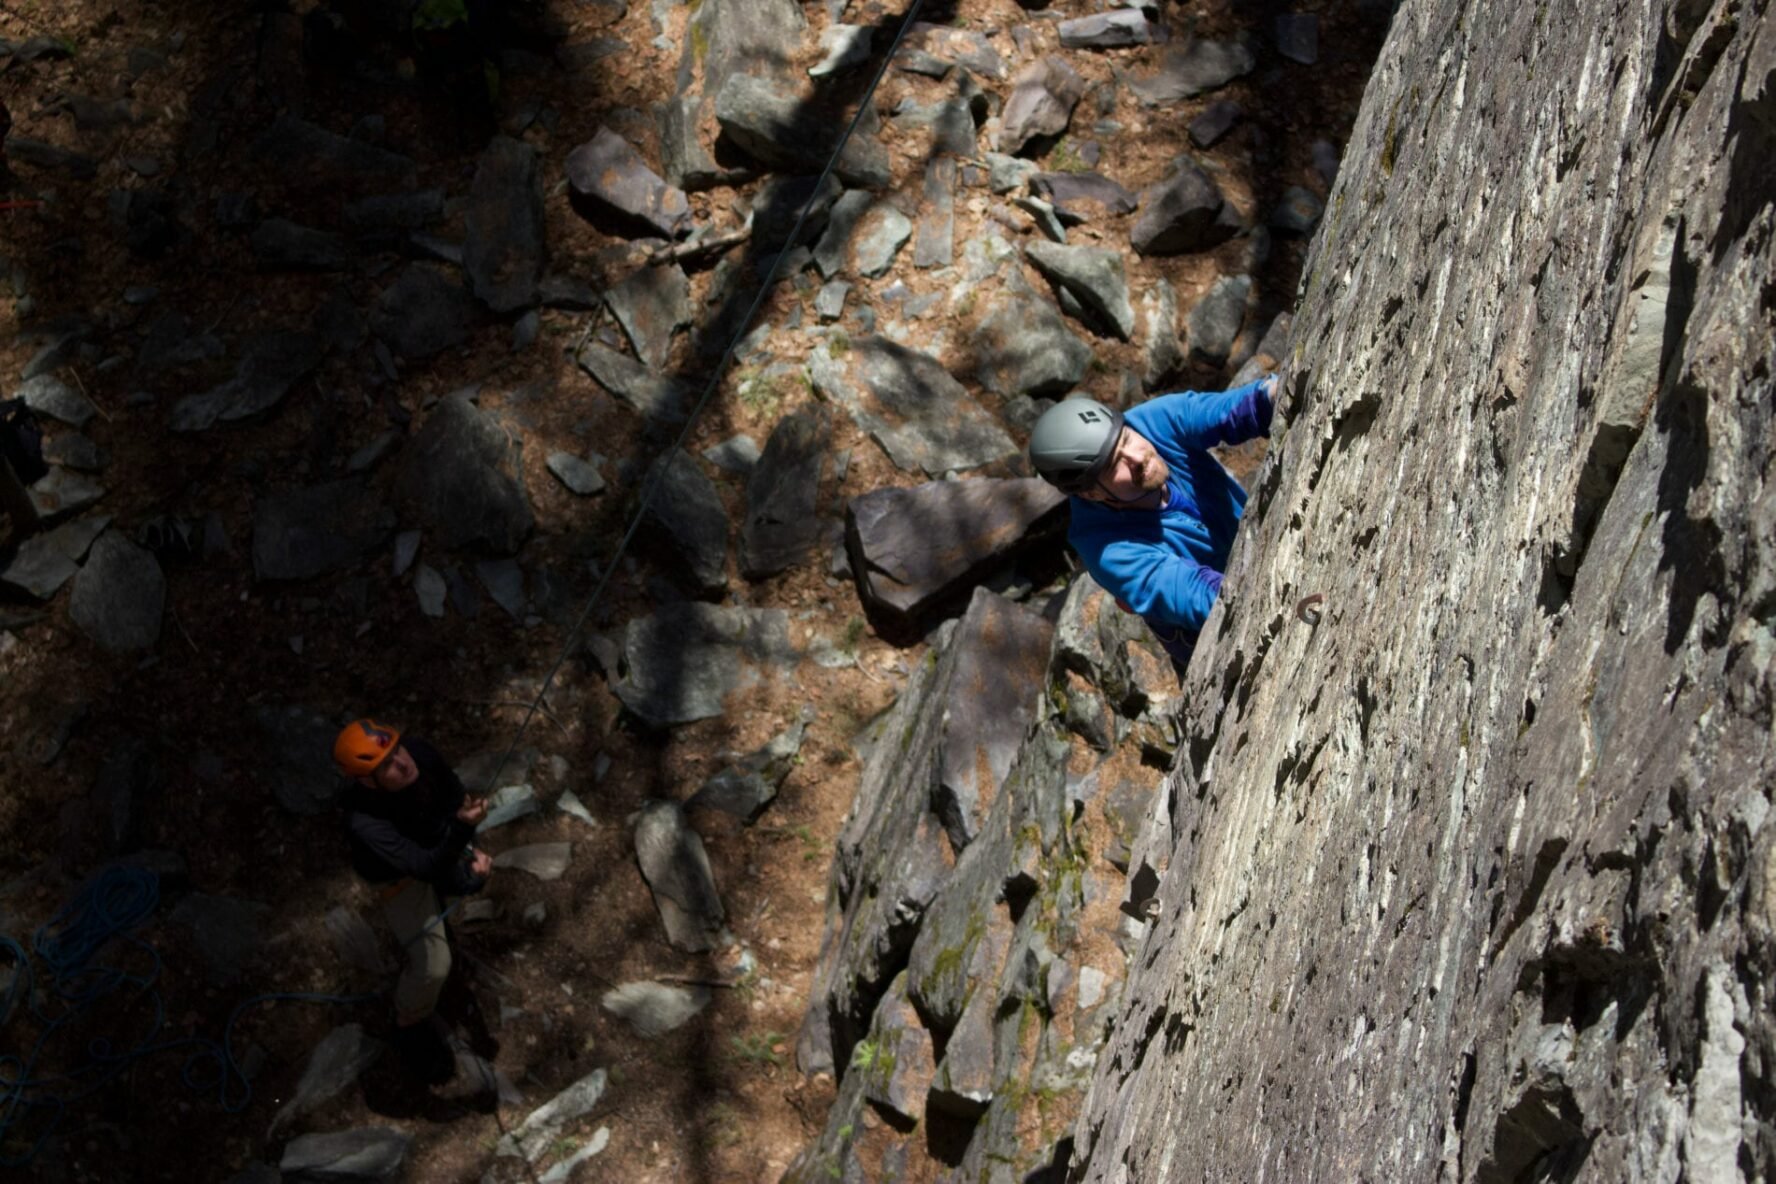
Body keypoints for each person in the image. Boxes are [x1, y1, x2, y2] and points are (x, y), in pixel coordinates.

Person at [1027, 375, 1279, 672]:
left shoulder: (1152, 422)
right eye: (1113, 465)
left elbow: (1243, 407)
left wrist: (1277, 392)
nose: (1136, 456)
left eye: (1126, 439)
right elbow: (1205, 596)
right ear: (1091, 493)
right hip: (1212, 638)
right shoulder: (1109, 551)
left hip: (1258, 553)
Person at [334, 718, 491, 1080]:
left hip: (433, 842)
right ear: (366, 781)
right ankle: (409, 1022)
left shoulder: (420, 754)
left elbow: (453, 797)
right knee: (433, 964)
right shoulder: (365, 822)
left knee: (457, 883)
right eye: (386, 764)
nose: (403, 762)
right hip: (399, 876)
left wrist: (468, 849)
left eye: (397, 749)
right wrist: (461, 840)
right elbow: (421, 866)